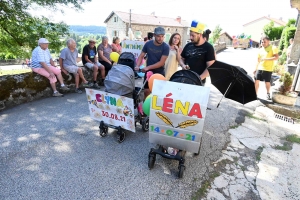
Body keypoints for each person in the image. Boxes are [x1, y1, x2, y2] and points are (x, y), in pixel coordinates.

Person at [135, 26, 169, 99]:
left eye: (162, 36)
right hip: (148, 73)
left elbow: (161, 63)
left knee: (158, 94)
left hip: (159, 72)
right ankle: (145, 109)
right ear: (154, 35)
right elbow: (141, 55)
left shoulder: (166, 47)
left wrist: (147, 67)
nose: (161, 38)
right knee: (146, 92)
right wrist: (137, 65)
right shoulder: (148, 44)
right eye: (158, 36)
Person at [180, 20, 216, 85]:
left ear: (200, 34)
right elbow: (181, 58)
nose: (190, 38)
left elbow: (211, 67)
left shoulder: (208, 47)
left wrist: (198, 78)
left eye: (193, 36)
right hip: (185, 79)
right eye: (190, 35)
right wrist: (183, 65)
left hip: (199, 82)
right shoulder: (188, 45)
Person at [253, 36, 279, 100]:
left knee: (267, 82)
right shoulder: (260, 50)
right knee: (256, 81)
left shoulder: (273, 48)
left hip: (268, 69)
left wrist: (266, 59)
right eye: (262, 42)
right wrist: (255, 69)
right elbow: (258, 61)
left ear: (268, 41)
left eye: (265, 42)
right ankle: (255, 94)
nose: (263, 43)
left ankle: (268, 93)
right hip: (260, 68)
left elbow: (276, 57)